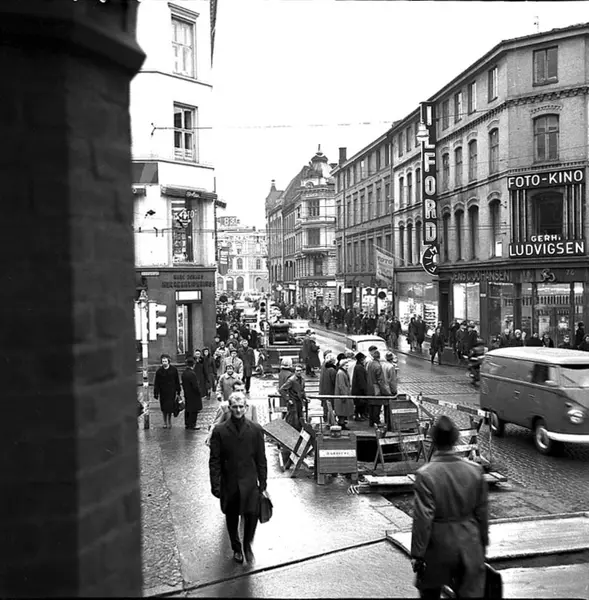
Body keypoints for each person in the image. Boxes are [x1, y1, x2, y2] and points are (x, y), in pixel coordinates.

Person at [411, 416, 489, 599]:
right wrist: (483, 544)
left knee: (429, 593)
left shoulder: (426, 475)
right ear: (455, 439)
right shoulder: (475, 471)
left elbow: (423, 519)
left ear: (434, 440)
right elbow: (482, 514)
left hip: (438, 547)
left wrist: (417, 554)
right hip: (469, 543)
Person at [209, 391, 268, 565]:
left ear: (246, 408)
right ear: (229, 408)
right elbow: (214, 460)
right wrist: (215, 484)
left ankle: (247, 544)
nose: (238, 410)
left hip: (250, 481)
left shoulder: (256, 430)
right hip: (230, 482)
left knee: (252, 515)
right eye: (234, 407)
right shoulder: (220, 431)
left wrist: (263, 481)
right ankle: (236, 547)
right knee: (232, 516)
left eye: (241, 407)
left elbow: (261, 458)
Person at [153, 354, 181, 429]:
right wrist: (156, 393)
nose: (164, 363)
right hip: (163, 392)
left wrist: (178, 390)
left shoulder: (173, 370)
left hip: (171, 392)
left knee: (170, 407)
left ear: (168, 361)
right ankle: (164, 422)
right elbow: (156, 383)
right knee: (164, 408)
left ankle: (169, 421)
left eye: (165, 361)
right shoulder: (159, 371)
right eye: (163, 361)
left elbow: (177, 381)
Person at [366, 348, 391, 427]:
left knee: (371, 405)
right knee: (377, 405)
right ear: (379, 357)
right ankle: (376, 421)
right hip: (376, 388)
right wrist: (386, 391)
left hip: (369, 387)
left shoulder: (370, 364)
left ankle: (371, 421)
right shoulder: (378, 366)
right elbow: (380, 380)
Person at [279, 364, 307, 431]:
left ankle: (299, 432)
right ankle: (288, 432)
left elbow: (302, 390)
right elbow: (281, 390)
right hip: (293, 402)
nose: (299, 372)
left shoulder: (302, 380)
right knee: (292, 420)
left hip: (299, 401)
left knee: (300, 418)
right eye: (297, 371)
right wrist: (288, 399)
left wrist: (305, 398)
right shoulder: (291, 380)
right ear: (295, 371)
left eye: (300, 370)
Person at [182, 357, 203, 430]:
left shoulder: (184, 373)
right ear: (193, 365)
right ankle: (193, 424)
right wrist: (199, 392)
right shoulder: (192, 374)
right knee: (194, 410)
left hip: (187, 393)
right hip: (193, 394)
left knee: (187, 409)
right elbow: (195, 386)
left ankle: (187, 424)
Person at [334, 353, 353, 430]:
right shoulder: (341, 373)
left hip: (343, 394)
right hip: (342, 395)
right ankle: (341, 423)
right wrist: (344, 395)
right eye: (346, 365)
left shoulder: (342, 372)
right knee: (342, 410)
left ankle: (342, 422)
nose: (347, 366)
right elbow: (342, 385)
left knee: (343, 410)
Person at [318, 353, 337, 424]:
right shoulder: (332, 370)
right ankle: (330, 420)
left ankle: (326, 418)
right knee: (330, 407)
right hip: (330, 391)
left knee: (325, 406)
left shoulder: (324, 367)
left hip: (323, 390)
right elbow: (334, 381)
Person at [351, 352, 368, 421]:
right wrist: (364, 390)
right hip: (359, 391)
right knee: (360, 404)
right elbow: (361, 380)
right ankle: (359, 416)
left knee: (359, 404)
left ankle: (359, 415)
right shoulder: (359, 367)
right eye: (364, 358)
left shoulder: (358, 366)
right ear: (361, 359)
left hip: (357, 390)